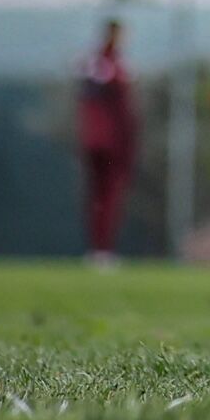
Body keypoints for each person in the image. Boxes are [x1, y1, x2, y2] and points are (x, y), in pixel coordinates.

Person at [74, 18, 139, 266]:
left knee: (96, 196)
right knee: (110, 195)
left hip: (91, 138)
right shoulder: (116, 66)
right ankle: (103, 250)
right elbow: (123, 105)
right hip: (112, 141)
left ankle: (97, 248)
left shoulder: (90, 64)